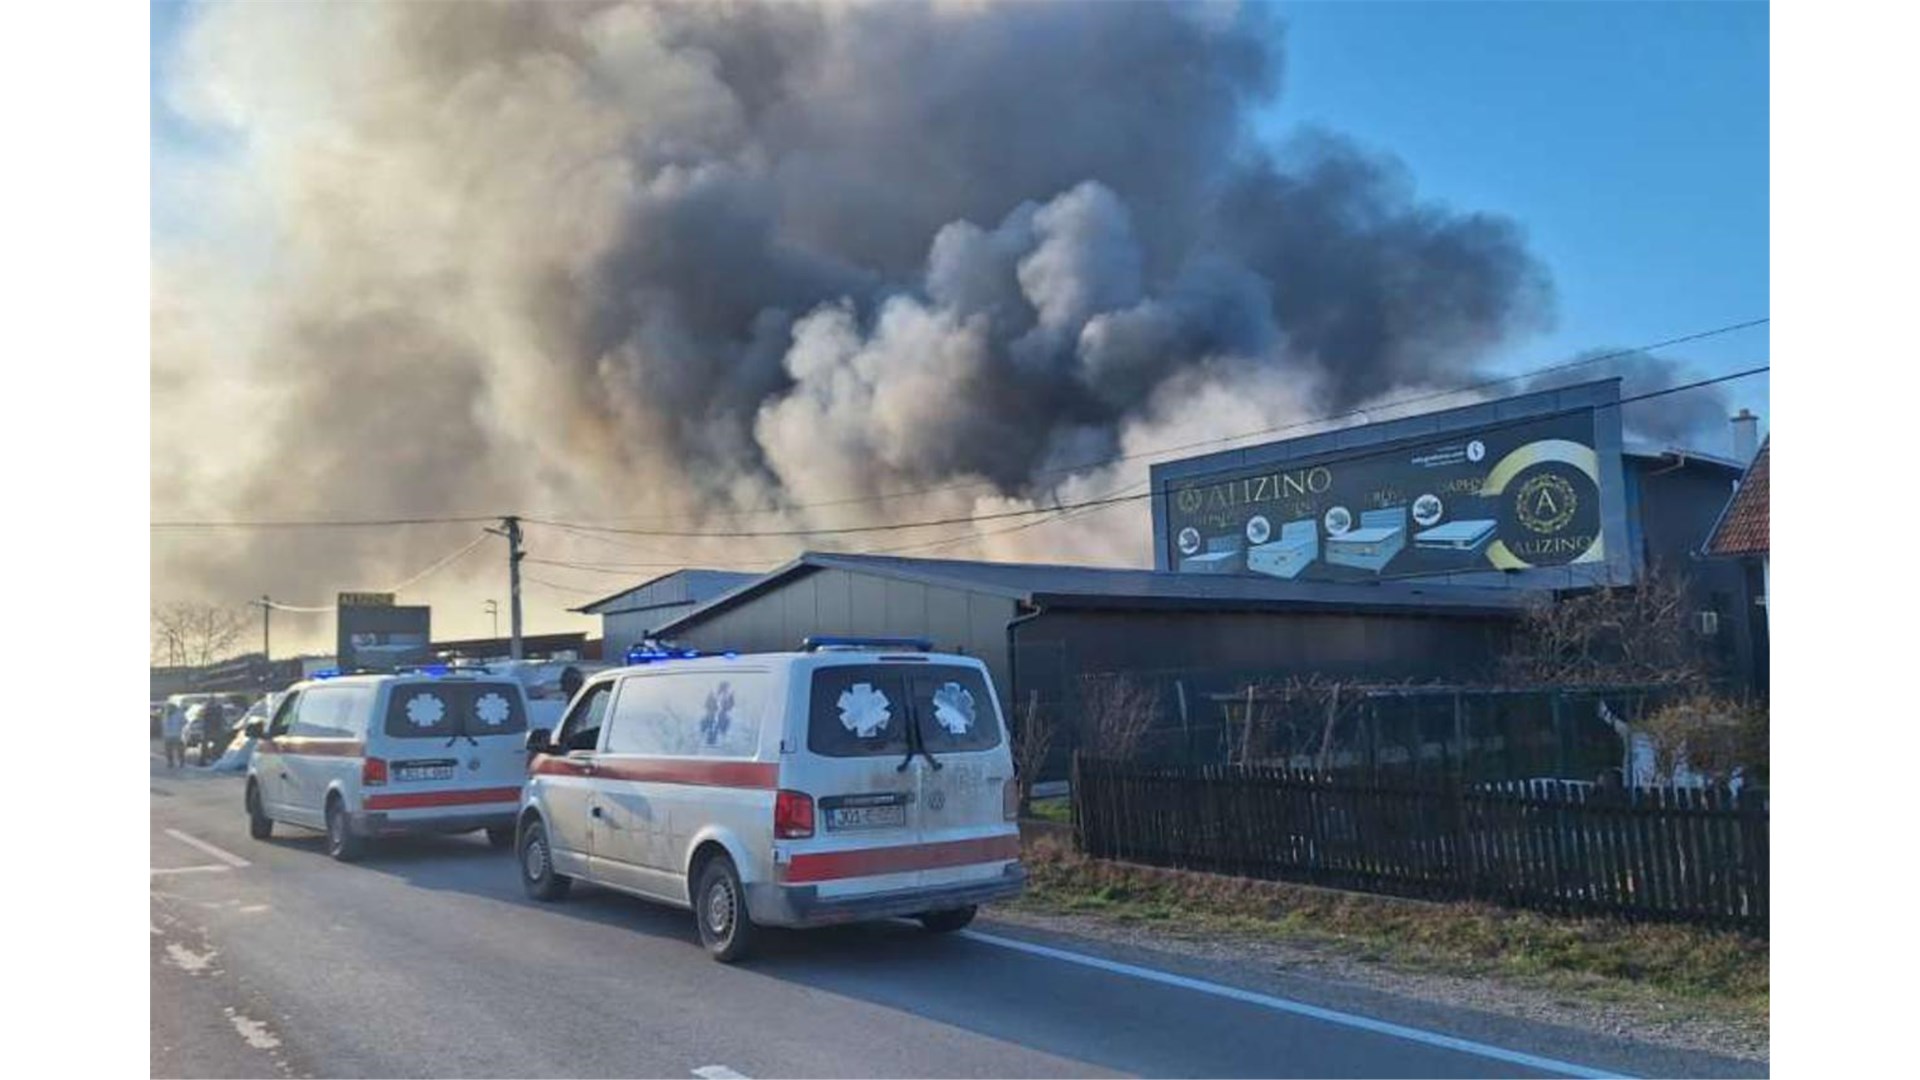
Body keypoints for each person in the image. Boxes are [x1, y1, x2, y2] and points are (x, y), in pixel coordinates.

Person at [162, 702, 188, 769]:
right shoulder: (166, 714)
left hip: (177, 735)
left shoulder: (179, 714)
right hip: (168, 735)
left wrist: (180, 728)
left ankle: (181, 762)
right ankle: (170, 762)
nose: (169, 709)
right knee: (168, 750)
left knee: (179, 750)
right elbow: (163, 725)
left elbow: (185, 722)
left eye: (170, 707)